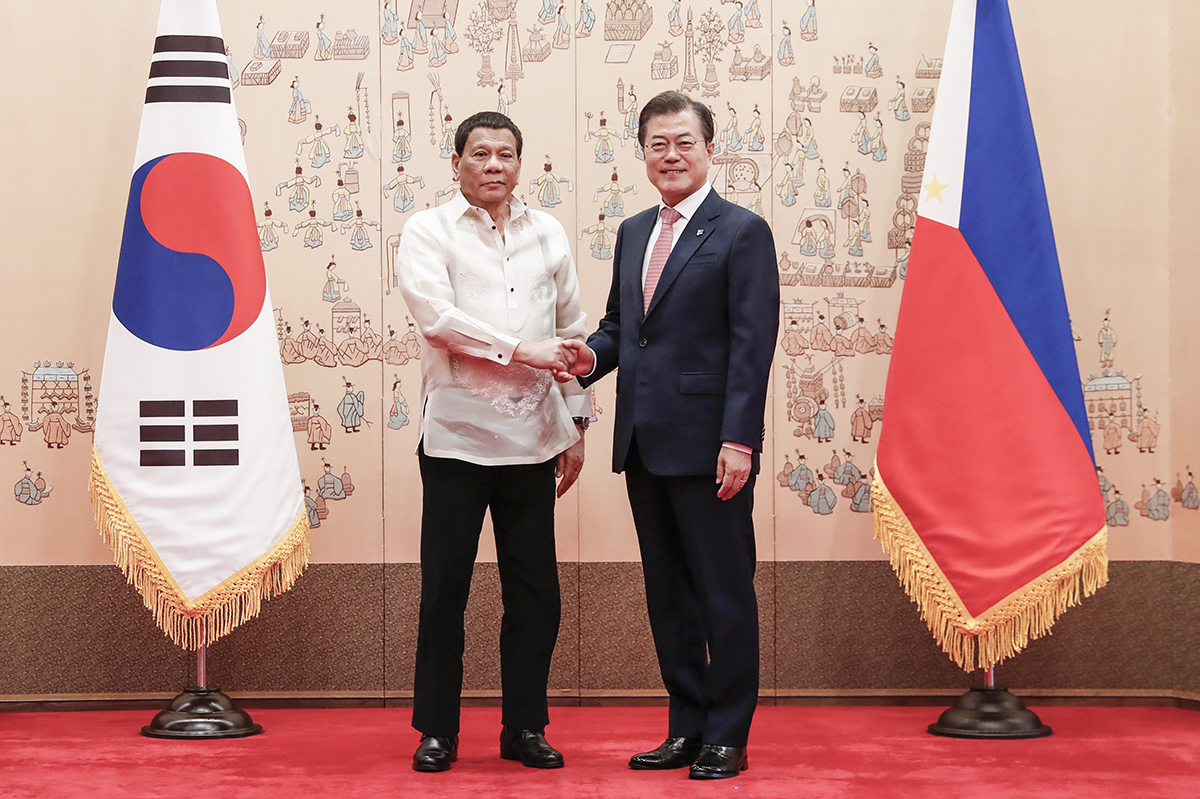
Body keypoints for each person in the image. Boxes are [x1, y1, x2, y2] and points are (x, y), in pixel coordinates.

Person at [568, 91, 779, 780]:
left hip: (711, 447)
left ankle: (728, 734)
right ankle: (686, 727)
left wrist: (739, 438)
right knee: (670, 600)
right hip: (645, 443)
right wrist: (588, 359)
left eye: (684, 142)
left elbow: (753, 345)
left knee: (723, 594)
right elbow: (622, 328)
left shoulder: (741, 231)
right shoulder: (634, 231)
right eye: (658, 143)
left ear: (709, 148)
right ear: (643, 152)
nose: (672, 155)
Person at [397, 111, 592, 773]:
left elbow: (572, 330)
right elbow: (438, 319)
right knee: (444, 590)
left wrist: (577, 418)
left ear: (519, 163)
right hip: (455, 438)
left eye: (505, 154)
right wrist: (521, 350)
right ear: (456, 163)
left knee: (536, 592)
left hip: (535, 440)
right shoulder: (427, 230)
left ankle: (525, 726)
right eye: (479, 153)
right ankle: (437, 731)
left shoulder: (548, 233)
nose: (493, 165)